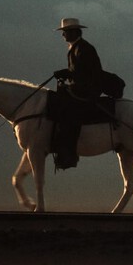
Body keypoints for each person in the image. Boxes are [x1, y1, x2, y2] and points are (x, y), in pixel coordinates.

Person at [51, 18, 104, 168]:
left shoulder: (84, 48)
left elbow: (85, 73)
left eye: (65, 32)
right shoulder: (76, 47)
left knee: (67, 113)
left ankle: (69, 154)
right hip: (80, 87)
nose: (63, 36)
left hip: (88, 90)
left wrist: (67, 73)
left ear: (74, 32)